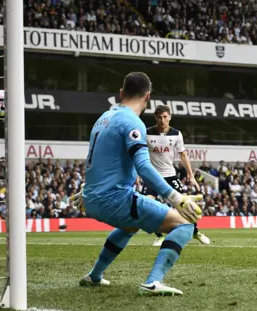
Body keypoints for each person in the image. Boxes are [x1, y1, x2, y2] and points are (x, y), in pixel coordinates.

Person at [71, 72, 202, 295]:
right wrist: (176, 198)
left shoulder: (103, 118)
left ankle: (94, 276)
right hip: (114, 199)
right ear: (148, 97)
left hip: (92, 199)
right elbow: (143, 167)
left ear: (121, 93)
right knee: (185, 224)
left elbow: (98, 159)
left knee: (130, 225)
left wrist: (86, 189)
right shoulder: (133, 122)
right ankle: (153, 282)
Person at [142, 104, 211, 247]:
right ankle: (159, 236)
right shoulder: (146, 133)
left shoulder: (176, 134)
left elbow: (183, 155)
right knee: (147, 206)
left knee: (187, 205)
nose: (162, 120)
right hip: (152, 176)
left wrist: (191, 176)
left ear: (170, 117)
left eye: (165, 117)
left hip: (170, 175)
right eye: (159, 117)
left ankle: (196, 232)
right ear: (155, 117)